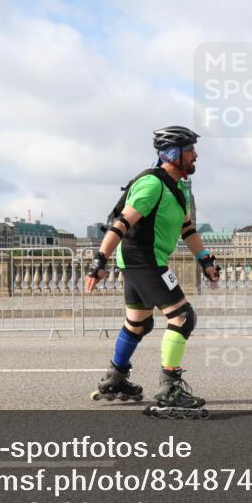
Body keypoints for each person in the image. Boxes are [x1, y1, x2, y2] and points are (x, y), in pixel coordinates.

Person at [85, 126, 219, 418]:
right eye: (190, 150)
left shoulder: (179, 188)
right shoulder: (152, 184)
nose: (196, 155)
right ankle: (170, 388)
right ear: (173, 154)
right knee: (183, 317)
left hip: (144, 258)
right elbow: (121, 223)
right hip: (142, 259)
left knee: (138, 323)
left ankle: (115, 378)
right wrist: (98, 261)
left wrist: (206, 261)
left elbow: (188, 229)